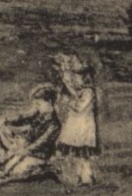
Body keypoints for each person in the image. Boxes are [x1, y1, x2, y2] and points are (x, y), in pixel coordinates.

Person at [53, 53, 100, 186]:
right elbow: (74, 96)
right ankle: (82, 177)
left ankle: (88, 177)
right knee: (79, 155)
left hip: (83, 129)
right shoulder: (82, 91)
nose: (76, 79)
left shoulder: (88, 92)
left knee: (83, 155)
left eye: (78, 77)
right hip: (78, 128)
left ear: (85, 78)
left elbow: (79, 106)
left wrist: (69, 101)